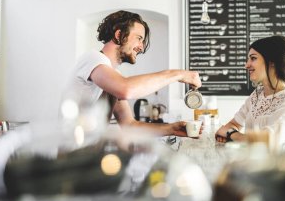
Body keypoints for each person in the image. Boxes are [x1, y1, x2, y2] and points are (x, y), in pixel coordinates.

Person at [65, 10, 202, 137]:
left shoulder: (112, 76)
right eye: (139, 38)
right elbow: (126, 89)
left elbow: (129, 125)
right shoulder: (92, 58)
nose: (141, 47)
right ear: (119, 35)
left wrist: (172, 129)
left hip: (91, 155)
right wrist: (179, 74)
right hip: (73, 158)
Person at [215, 35, 285, 155]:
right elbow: (234, 124)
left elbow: (266, 141)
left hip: (282, 172)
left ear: (272, 62)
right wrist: (231, 133)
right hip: (256, 169)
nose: (246, 65)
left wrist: (230, 134)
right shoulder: (256, 95)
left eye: (253, 58)